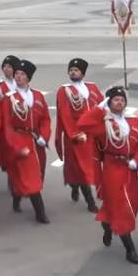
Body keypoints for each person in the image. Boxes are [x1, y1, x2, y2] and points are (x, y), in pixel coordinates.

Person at [77, 86, 138, 264]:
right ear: (109, 103)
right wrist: (99, 108)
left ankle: (107, 225)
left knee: (131, 204)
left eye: (122, 100)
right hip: (113, 169)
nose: (119, 102)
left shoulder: (133, 122)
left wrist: (137, 160)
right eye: (115, 99)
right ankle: (130, 250)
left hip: (130, 169)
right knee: (122, 207)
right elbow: (83, 124)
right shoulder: (103, 124)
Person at [2, 60, 50, 223]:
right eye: (16, 74)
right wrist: (15, 146)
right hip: (20, 140)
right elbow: (7, 125)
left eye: (22, 74)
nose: (18, 77)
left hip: (36, 141)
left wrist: (44, 136)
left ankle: (17, 196)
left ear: (29, 77)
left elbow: (45, 119)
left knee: (34, 175)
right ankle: (40, 213)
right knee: (31, 178)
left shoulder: (38, 96)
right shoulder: (9, 99)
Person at [55, 58, 103, 213]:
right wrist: (75, 134)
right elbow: (65, 115)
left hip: (92, 135)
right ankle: (90, 202)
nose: (72, 72)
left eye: (76, 70)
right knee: (81, 169)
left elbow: (101, 106)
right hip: (76, 136)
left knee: (88, 167)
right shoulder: (64, 91)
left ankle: (75, 185)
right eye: (71, 70)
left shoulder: (92, 87)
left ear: (83, 73)